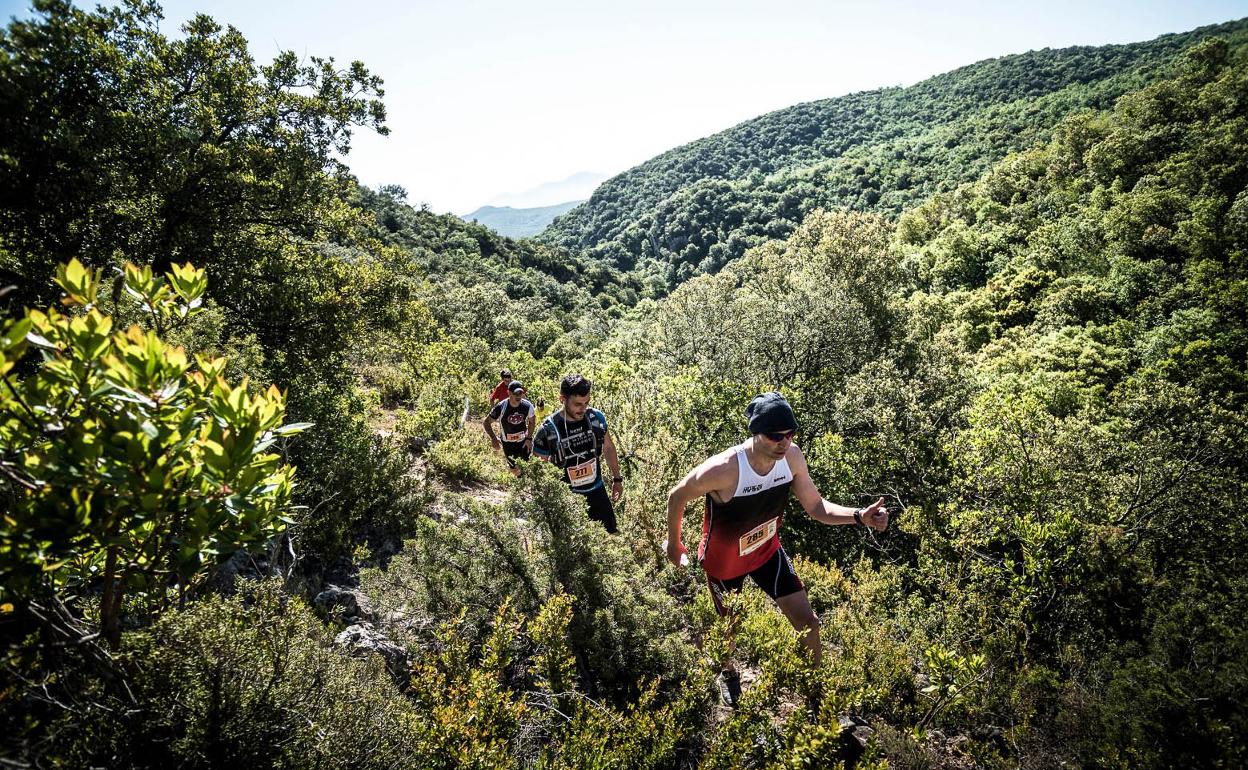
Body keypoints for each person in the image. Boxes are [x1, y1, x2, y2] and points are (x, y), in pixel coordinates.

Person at [665, 392, 888, 702]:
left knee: (809, 623)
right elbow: (677, 496)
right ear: (756, 433)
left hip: (767, 552)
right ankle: (728, 674)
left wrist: (858, 516)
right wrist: (674, 545)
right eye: (775, 436)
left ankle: (814, 692)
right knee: (730, 627)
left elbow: (816, 507)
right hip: (724, 563)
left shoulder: (792, 458)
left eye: (790, 434)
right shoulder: (724, 469)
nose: (784, 442)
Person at [532, 374, 624, 533]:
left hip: (597, 491)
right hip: (568, 498)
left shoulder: (595, 418)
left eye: (586, 403)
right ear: (562, 399)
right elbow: (539, 471)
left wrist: (617, 479)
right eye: (577, 404)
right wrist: (547, 504)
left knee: (612, 537)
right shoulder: (548, 430)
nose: (583, 408)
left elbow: (609, 448)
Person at [483, 380, 536, 475]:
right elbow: (486, 422)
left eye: (520, 392)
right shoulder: (501, 407)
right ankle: (518, 485)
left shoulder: (527, 406)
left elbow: (532, 421)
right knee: (514, 469)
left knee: (526, 467)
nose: (518, 396)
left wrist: (529, 438)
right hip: (508, 444)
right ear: (509, 393)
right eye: (516, 393)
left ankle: (526, 486)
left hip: (523, 441)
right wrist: (493, 438)